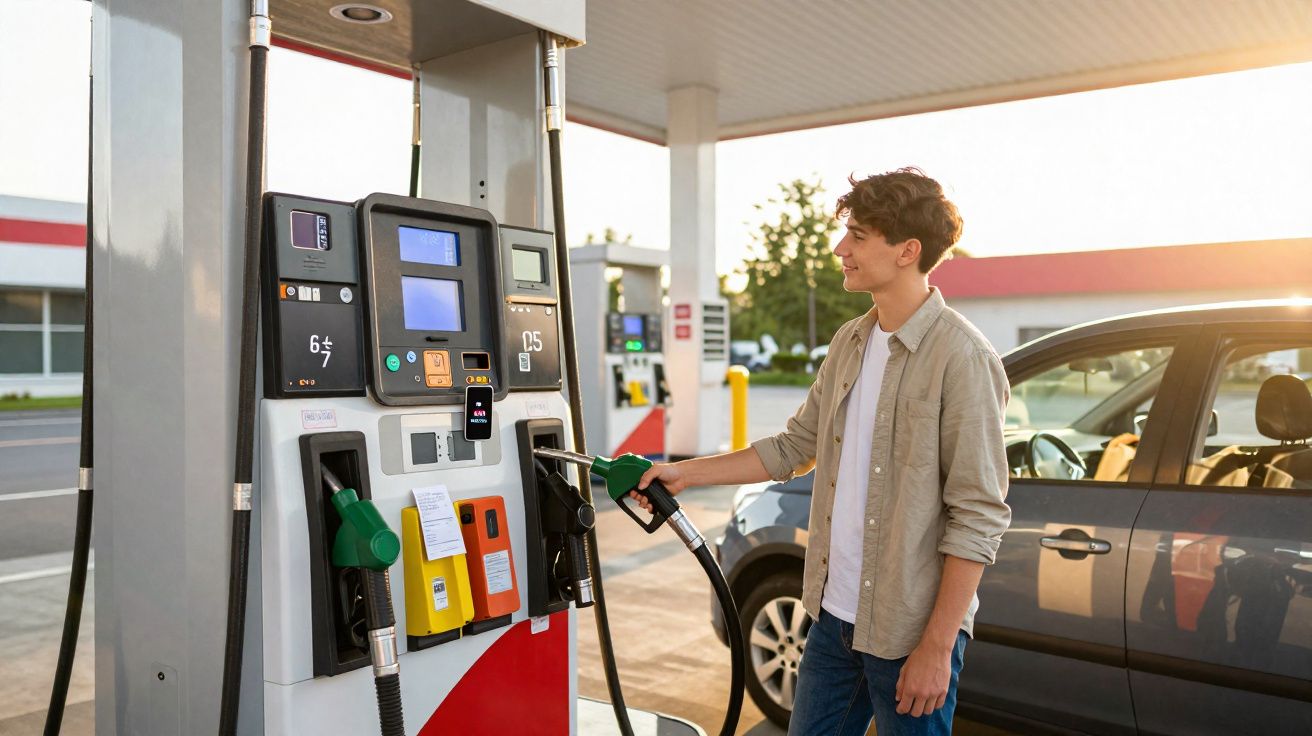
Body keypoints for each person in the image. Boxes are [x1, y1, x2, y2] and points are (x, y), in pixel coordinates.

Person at [632, 168, 1011, 735]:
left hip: (909, 632)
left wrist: (936, 647)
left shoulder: (962, 357)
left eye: (858, 236)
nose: (841, 249)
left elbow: (978, 516)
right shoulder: (850, 342)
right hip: (833, 621)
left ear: (908, 250)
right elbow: (794, 446)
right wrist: (685, 472)